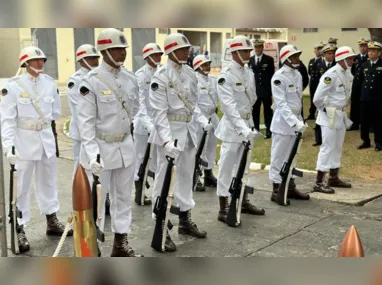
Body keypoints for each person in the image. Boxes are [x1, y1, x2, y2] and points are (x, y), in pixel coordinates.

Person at [77, 28, 142, 257]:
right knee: (97, 204)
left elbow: (133, 112)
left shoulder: (130, 79)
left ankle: (120, 244)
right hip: (101, 150)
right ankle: (93, 249)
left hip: (125, 146)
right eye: (116, 49)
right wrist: (92, 153)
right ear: (104, 51)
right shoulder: (90, 81)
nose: (122, 53)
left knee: (123, 198)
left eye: (123, 49)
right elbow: (85, 123)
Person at [0, 46, 70, 253]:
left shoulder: (49, 83)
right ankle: (19, 228)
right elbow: (7, 120)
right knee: (20, 188)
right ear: (25, 62)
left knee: (48, 182)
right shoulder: (12, 87)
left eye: (42, 60)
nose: (41, 63)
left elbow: (55, 112)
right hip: (23, 142)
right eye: (36, 60)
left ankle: (52, 219)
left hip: (45, 141)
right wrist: (9, 145)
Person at [148, 33, 209, 252]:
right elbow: (158, 113)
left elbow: (194, 103)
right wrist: (166, 141)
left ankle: (185, 219)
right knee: (164, 182)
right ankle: (160, 224)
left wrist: (202, 121)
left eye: (188, 49)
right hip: (170, 134)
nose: (188, 51)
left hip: (188, 132)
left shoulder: (190, 73)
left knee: (185, 177)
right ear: (171, 51)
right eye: (183, 49)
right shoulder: (161, 77)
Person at [215, 35, 265, 224]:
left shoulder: (248, 72)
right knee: (227, 168)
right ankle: (223, 206)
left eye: (248, 51)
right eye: (244, 51)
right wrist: (242, 128)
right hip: (232, 128)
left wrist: (248, 126)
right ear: (234, 52)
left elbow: (252, 99)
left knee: (244, 167)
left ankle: (242, 200)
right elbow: (228, 107)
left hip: (247, 125)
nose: (247, 54)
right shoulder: (225, 75)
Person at [269, 44, 310, 203]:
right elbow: (282, 104)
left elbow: (298, 100)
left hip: (296, 122)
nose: (297, 59)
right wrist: (294, 122)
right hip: (283, 123)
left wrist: (300, 119)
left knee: (293, 157)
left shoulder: (298, 75)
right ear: (286, 59)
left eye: (298, 55)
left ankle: (290, 187)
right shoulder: (279, 77)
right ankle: (276, 189)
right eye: (294, 56)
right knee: (278, 157)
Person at [312, 46, 356, 194]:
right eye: (350, 58)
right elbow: (317, 98)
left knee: (337, 146)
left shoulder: (346, 72)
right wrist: (325, 110)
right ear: (342, 59)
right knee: (327, 147)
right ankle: (319, 181)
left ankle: (333, 177)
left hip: (341, 114)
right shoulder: (331, 74)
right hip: (329, 113)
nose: (352, 60)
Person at [133, 43, 164, 205]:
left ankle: (157, 193)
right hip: (143, 125)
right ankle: (139, 192)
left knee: (158, 159)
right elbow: (140, 105)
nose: (159, 57)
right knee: (140, 158)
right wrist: (148, 124)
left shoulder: (162, 73)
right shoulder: (140, 76)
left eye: (160, 54)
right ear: (148, 57)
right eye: (156, 54)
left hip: (158, 123)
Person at [67, 44, 100, 180]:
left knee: (98, 165)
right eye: (90, 58)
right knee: (81, 165)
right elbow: (80, 108)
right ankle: (80, 196)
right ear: (81, 60)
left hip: (99, 131)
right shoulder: (75, 81)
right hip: (82, 132)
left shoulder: (100, 77)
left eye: (96, 57)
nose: (95, 61)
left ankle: (96, 197)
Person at [192, 54, 219, 191]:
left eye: (208, 64)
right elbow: (193, 104)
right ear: (197, 67)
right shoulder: (194, 82)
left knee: (211, 147)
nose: (207, 67)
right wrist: (202, 120)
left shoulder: (213, 81)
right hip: (199, 119)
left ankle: (208, 174)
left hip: (212, 117)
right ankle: (195, 176)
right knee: (199, 149)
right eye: (204, 65)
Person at [357, 41, 382, 152]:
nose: (371, 52)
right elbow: (361, 81)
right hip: (365, 98)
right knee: (364, 121)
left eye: (374, 50)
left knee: (378, 122)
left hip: (378, 99)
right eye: (370, 50)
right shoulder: (364, 65)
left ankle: (379, 143)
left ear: (379, 52)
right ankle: (366, 141)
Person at [248, 39, 275, 139]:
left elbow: (271, 76)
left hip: (266, 90)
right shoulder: (250, 60)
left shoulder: (269, 59)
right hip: (255, 90)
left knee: (268, 112)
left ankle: (269, 131)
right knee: (255, 112)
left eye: (259, 47)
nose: (257, 49)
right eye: (256, 47)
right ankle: (255, 131)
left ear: (262, 48)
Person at [312, 44, 337, 147]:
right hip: (321, 95)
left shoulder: (336, 66)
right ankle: (318, 139)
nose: (332, 55)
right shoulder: (319, 64)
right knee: (320, 116)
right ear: (324, 54)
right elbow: (315, 80)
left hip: (332, 96)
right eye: (329, 53)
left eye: (333, 53)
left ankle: (332, 137)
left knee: (333, 116)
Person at [349, 37, 370, 131]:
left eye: (364, 46)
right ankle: (354, 123)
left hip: (366, 84)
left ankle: (368, 124)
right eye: (361, 46)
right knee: (354, 104)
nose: (362, 48)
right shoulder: (355, 58)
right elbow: (353, 71)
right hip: (357, 84)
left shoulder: (370, 58)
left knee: (366, 105)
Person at [306, 41, 325, 120]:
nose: (319, 51)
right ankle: (311, 114)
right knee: (312, 98)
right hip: (313, 82)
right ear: (314, 51)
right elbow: (309, 72)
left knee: (320, 98)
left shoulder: (323, 61)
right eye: (317, 49)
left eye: (320, 49)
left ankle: (320, 114)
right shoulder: (311, 61)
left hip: (319, 83)